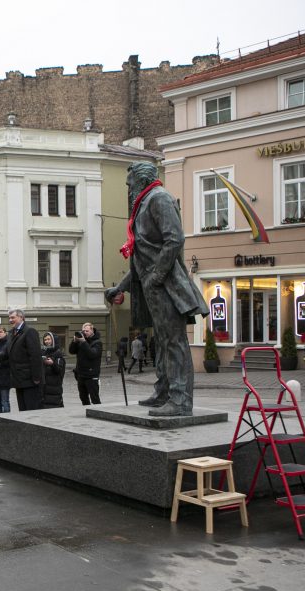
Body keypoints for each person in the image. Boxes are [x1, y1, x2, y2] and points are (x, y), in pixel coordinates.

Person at [105, 161, 208, 416]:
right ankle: (164, 392)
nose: (128, 188)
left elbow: (175, 239)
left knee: (174, 342)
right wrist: (120, 286)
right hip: (154, 287)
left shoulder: (159, 198)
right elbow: (143, 259)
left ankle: (180, 400)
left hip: (168, 286)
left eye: (130, 183)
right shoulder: (144, 202)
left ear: (140, 180)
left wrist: (157, 277)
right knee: (162, 342)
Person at [0, 309, 43, 411]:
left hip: (30, 380)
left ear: (21, 317)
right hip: (18, 379)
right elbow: (4, 353)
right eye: (9, 318)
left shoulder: (29, 332)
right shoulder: (11, 333)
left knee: (31, 410)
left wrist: (36, 378)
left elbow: (35, 356)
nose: (10, 320)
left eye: (13, 317)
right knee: (22, 410)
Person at [69, 322, 103, 406]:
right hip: (81, 375)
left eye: (87, 331)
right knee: (83, 398)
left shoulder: (97, 343)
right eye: (83, 331)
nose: (84, 333)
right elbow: (71, 351)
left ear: (92, 331)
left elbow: (92, 354)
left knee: (95, 399)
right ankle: (86, 412)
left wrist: (84, 342)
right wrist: (74, 341)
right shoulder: (80, 341)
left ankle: (98, 413)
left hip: (91, 375)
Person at [41, 332, 66, 409]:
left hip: (54, 387)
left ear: (53, 340)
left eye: (49, 339)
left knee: (54, 408)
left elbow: (59, 370)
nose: (47, 341)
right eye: (45, 340)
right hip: (45, 387)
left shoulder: (58, 353)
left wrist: (52, 364)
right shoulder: (43, 352)